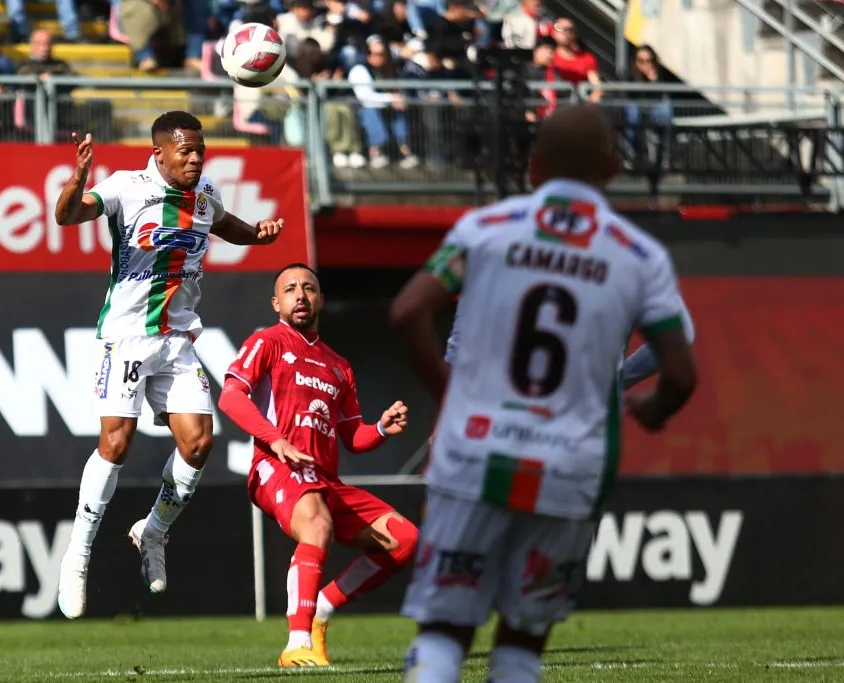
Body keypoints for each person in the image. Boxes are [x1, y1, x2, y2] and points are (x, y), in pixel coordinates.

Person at [390, 105, 697, 683]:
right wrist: (651, 410)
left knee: (442, 636)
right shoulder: (639, 256)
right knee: (521, 648)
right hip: (572, 466)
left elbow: (408, 312)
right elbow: (682, 369)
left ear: (533, 167)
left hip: (475, 456)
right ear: (611, 168)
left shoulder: (485, 231)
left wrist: (450, 394)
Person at [52, 110, 286, 620]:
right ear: (159, 152)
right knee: (116, 441)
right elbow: (67, 216)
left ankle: (152, 532)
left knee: (200, 443)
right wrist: (77, 180)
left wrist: (260, 235)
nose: (196, 158)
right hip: (127, 338)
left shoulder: (205, 196)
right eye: (186, 151)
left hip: (178, 339)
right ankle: (79, 553)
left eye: (201, 150)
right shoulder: (125, 188)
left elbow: (228, 226)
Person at [216, 263, 419, 667]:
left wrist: (379, 427)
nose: (301, 295)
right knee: (316, 522)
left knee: (405, 538)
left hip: (325, 479)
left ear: (321, 299)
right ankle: (296, 643)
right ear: (277, 303)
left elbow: (352, 438)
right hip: (275, 467)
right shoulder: (267, 341)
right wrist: (276, 441)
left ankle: (323, 607)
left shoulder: (338, 365)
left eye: (309, 288)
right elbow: (231, 397)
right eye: (290, 289)